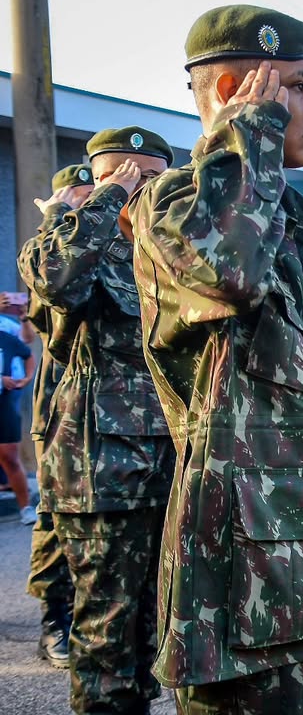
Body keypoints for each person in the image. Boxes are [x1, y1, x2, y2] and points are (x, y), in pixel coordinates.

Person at [129, 6, 303, 712]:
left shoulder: (290, 217)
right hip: (243, 599)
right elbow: (227, 273)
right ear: (243, 89)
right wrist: (252, 133)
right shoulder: (173, 204)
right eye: (298, 87)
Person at [19, 125, 175, 714]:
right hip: (103, 473)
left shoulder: (178, 249)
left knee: (160, 635)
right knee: (107, 638)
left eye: (153, 177)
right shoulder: (78, 248)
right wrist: (104, 203)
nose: (140, 188)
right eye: (123, 174)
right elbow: (51, 282)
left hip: (178, 466)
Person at [20, 163, 93, 669]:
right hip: (62, 410)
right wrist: (59, 221)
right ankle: (54, 622)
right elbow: (55, 290)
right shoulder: (54, 255)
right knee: (55, 517)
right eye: (81, 198)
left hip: (120, 411)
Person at [0, 325, 37, 524]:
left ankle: (26, 508)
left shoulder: (5, 337)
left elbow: (28, 353)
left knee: (10, 458)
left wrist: (26, 378)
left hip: (4, 403)